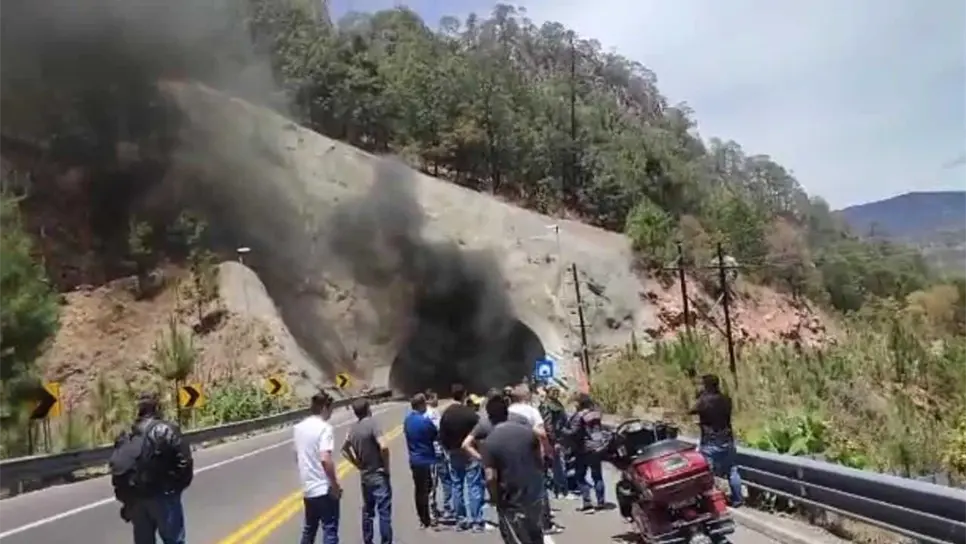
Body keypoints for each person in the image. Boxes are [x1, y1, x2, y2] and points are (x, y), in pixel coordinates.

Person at [110, 392, 193, 544]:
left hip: (136, 499)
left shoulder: (130, 434)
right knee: (174, 540)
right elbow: (185, 462)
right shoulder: (166, 429)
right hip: (163, 495)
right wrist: (174, 489)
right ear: (157, 407)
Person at [481, 392, 545, 544]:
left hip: (511, 500)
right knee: (536, 534)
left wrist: (494, 497)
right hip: (534, 495)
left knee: (515, 538)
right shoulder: (528, 432)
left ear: (490, 417)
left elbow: (491, 477)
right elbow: (540, 460)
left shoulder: (490, 442)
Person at [507, 383, 562, 534]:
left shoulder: (507, 412)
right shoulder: (531, 411)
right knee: (539, 488)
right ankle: (544, 523)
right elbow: (541, 433)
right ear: (526, 396)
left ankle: (519, 522)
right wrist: (547, 451)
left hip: (510, 455)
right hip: (531, 454)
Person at [341, 398, 392, 544]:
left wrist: (356, 463)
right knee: (384, 511)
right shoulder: (373, 424)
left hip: (365, 475)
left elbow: (344, 450)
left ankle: (368, 540)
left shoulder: (352, 429)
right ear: (368, 409)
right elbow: (384, 446)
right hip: (378, 473)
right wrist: (386, 467)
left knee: (368, 511)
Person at [294, 391, 341, 544]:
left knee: (309, 529)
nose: (331, 413)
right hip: (323, 488)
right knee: (330, 529)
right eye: (331, 409)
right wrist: (334, 484)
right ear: (324, 408)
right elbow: (325, 459)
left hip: (308, 488)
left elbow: (297, 455)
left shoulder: (299, 428)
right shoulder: (324, 428)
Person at [690, 374, 743, 506]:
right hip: (727, 439)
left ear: (706, 385)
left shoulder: (703, 401)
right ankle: (738, 499)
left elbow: (691, 410)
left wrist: (699, 396)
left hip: (710, 441)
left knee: (707, 473)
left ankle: (713, 502)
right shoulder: (726, 399)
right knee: (732, 470)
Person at [438, 385, 482, 531]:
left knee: (456, 485)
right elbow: (480, 434)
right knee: (473, 485)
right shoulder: (470, 414)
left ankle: (461, 520)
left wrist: (447, 450)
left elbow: (441, 437)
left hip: (454, 452)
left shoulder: (446, 414)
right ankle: (476, 521)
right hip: (469, 452)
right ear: (464, 395)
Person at [566, 393, 608, 512]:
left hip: (584, 449)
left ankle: (587, 503)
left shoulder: (580, 415)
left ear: (579, 403)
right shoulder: (596, 413)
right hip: (598, 447)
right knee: (597, 475)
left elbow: (574, 432)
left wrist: (562, 432)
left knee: (579, 476)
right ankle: (601, 502)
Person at [403, 393, 439, 529]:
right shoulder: (425, 421)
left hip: (414, 460)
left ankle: (422, 518)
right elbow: (435, 435)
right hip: (427, 460)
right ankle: (431, 517)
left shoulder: (407, 421)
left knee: (419, 490)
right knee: (430, 489)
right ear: (421, 405)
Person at [539, 386, 570, 498]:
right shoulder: (547, 406)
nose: (556, 393)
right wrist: (554, 440)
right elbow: (548, 425)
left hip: (559, 438)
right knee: (558, 465)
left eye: (557, 391)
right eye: (553, 391)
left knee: (557, 465)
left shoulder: (556, 404)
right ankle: (561, 491)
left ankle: (559, 489)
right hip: (554, 439)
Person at [424, 390, 448, 523]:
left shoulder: (422, 413)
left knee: (429, 482)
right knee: (436, 482)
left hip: (426, 452)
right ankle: (433, 511)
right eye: (435, 398)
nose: (437, 401)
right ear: (429, 399)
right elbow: (439, 431)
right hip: (436, 451)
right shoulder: (433, 413)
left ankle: (431, 509)